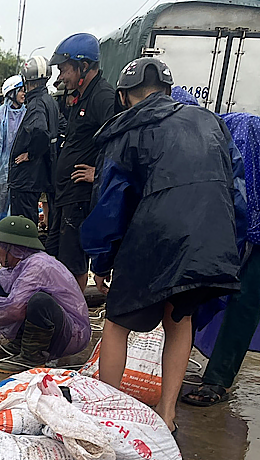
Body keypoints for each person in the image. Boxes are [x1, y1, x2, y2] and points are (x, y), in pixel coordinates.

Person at [82, 57, 242, 432]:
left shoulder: (128, 129)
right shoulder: (211, 122)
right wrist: (230, 247)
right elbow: (235, 190)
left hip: (158, 230)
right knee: (179, 317)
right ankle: (166, 415)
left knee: (118, 321)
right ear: (169, 92)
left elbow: (111, 200)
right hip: (210, 235)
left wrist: (102, 263)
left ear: (123, 97)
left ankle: (108, 411)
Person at [184, 112, 260, 406]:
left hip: (251, 224)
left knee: (246, 301)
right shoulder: (207, 131)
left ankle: (218, 380)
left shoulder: (243, 134)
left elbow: (243, 191)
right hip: (239, 219)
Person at [48, 33, 117, 291]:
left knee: (74, 264)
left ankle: (74, 321)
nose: (61, 76)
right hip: (65, 195)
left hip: (78, 198)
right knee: (58, 256)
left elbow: (118, 142)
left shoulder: (102, 97)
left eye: (64, 69)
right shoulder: (82, 96)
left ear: (84, 66)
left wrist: (98, 173)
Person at [0, 216, 90, 374]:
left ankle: (32, 357)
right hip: (60, 327)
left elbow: (14, 309)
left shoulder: (38, 266)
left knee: (39, 301)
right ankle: (21, 344)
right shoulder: (23, 264)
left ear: (11, 247)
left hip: (71, 334)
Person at [8, 56, 59, 224]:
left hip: (26, 179)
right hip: (40, 175)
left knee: (23, 226)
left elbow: (40, 131)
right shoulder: (49, 101)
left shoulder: (36, 104)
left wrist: (30, 154)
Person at [0, 75, 26, 224]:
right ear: (11, 93)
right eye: (20, 90)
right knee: (1, 208)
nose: (24, 93)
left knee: (15, 210)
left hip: (20, 169)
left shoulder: (26, 113)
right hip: (2, 170)